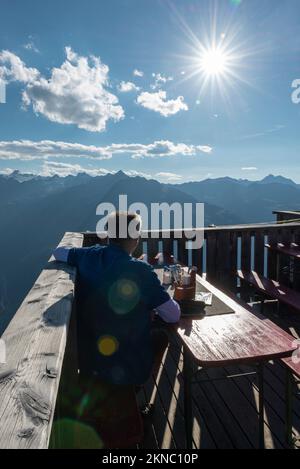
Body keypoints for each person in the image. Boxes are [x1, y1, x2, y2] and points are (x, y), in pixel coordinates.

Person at [53, 211, 180, 387]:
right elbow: (173, 315)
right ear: (135, 237)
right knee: (161, 336)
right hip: (127, 368)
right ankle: (139, 390)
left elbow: (58, 252)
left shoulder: (88, 256)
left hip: (89, 360)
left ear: (109, 235)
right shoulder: (141, 271)